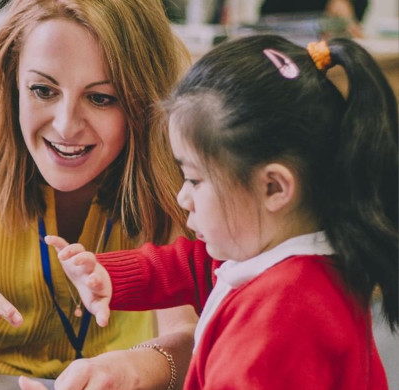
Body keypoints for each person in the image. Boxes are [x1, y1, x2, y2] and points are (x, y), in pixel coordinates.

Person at [27, 35, 398, 389]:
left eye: (194, 179)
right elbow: (195, 266)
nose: (182, 196)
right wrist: (108, 275)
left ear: (273, 188)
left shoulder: (279, 319)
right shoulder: (286, 259)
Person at [0, 0, 199, 386]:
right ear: (11, 76)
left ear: (144, 100)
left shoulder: (175, 139)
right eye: (42, 90)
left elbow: (194, 340)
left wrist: (133, 370)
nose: (67, 126)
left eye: (101, 98)